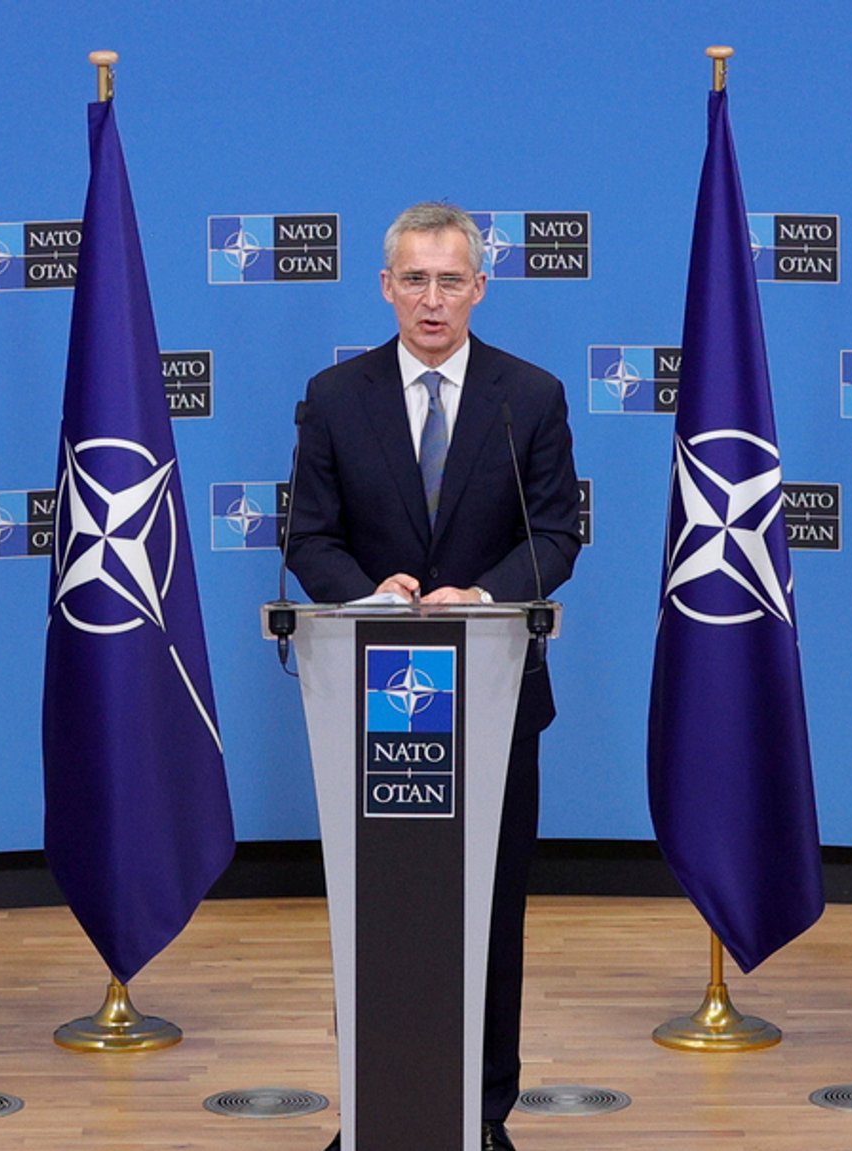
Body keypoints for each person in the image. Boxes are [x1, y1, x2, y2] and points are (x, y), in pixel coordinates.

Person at [287, 202, 582, 1151]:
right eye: (414, 278)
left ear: (479, 287)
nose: (432, 298)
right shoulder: (334, 398)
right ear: (385, 287)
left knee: (489, 915)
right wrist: (368, 592)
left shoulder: (527, 396)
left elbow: (557, 535)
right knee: (381, 913)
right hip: (370, 698)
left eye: (450, 279)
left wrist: (487, 597)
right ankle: (372, 1108)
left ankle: (482, 1114)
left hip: (493, 694)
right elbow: (309, 539)